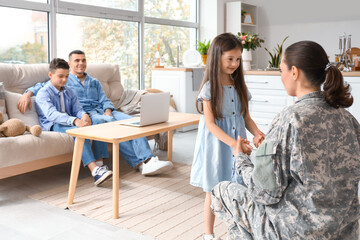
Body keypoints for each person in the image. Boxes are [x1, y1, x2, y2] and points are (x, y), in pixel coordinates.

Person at [211, 41, 360, 239]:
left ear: (294, 72)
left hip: (295, 232)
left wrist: (241, 159)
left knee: (221, 191)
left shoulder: (289, 119)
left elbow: (264, 193)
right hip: (345, 231)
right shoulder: (348, 119)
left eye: (281, 70)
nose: (281, 77)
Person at [18, 50, 173, 176]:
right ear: (70, 63)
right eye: (77, 60)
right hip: (88, 113)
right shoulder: (65, 80)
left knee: (133, 123)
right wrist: (27, 94)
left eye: (83, 60)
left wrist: (108, 111)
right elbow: (41, 87)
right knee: (104, 125)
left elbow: (105, 100)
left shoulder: (94, 81)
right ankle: (142, 162)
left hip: (105, 111)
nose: (80, 63)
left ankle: (149, 160)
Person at [190, 33, 265, 240]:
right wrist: (234, 144)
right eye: (230, 59)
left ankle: (239, 230)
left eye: (238, 59)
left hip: (236, 147)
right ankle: (209, 234)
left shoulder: (239, 85)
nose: (235, 63)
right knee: (213, 190)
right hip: (217, 147)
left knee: (239, 187)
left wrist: (257, 133)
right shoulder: (209, 89)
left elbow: (246, 117)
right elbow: (211, 125)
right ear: (217, 58)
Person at [36, 58, 113, 186]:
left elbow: (77, 108)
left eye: (66, 76)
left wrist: (83, 115)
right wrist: (75, 120)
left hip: (70, 121)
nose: (64, 80)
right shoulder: (43, 93)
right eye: (60, 76)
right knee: (79, 133)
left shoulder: (68, 90)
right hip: (53, 125)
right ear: (50, 75)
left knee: (93, 125)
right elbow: (52, 115)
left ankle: (100, 166)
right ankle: (95, 171)